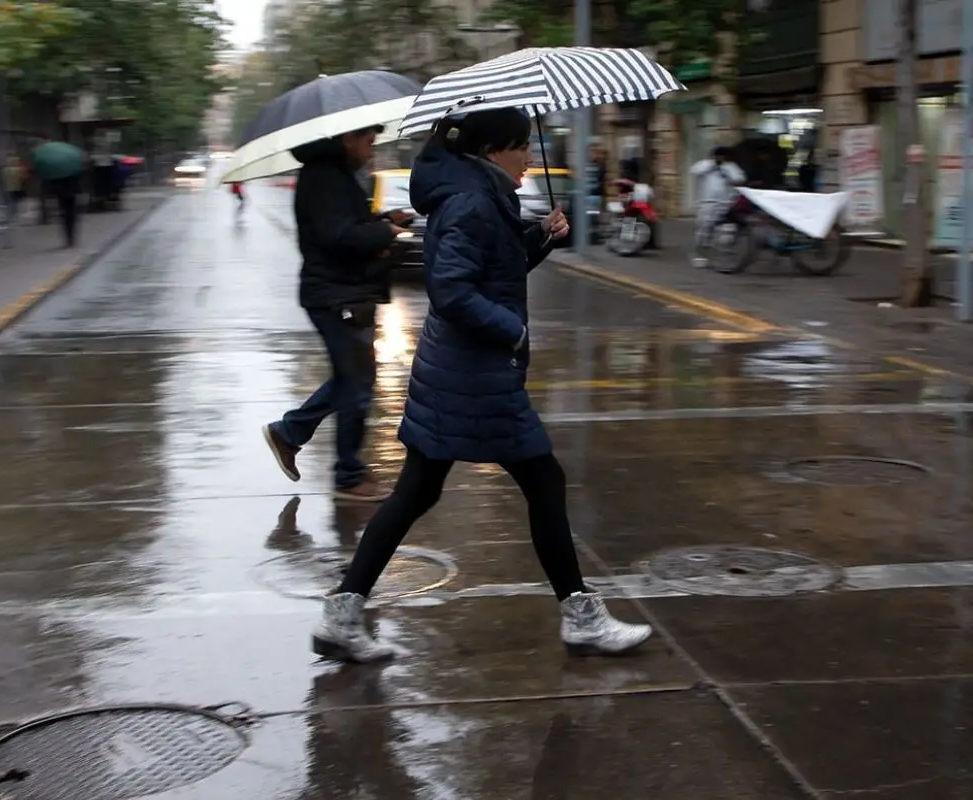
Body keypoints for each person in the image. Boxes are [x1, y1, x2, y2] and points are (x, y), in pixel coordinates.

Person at [308, 108, 653, 663]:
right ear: (494, 150)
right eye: (522, 148)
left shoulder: (478, 192)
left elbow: (496, 267)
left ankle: (342, 613)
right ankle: (581, 617)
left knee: (417, 492)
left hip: (456, 370)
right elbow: (451, 289)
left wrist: (539, 237)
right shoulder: (472, 200)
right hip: (476, 375)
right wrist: (512, 331)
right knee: (543, 481)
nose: (529, 159)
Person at [261, 127, 411, 503]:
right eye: (368, 141)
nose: (371, 148)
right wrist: (383, 232)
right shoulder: (325, 177)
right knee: (357, 384)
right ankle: (347, 476)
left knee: (353, 379)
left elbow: (344, 224)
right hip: (337, 295)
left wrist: (382, 218)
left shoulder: (334, 174)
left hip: (342, 293)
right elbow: (337, 236)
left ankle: (290, 432)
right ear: (348, 138)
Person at [690, 145, 745, 269]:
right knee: (704, 230)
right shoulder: (705, 165)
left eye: (724, 156)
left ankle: (721, 256)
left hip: (726, 203)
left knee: (726, 232)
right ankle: (701, 255)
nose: (722, 158)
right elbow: (694, 171)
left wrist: (728, 175)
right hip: (707, 203)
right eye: (719, 156)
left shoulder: (731, 167)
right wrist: (713, 164)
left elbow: (740, 179)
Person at [51, 173, 81, 247]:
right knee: (70, 212)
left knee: (65, 212)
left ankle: (69, 236)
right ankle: (70, 235)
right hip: (70, 187)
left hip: (61, 188)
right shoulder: (70, 166)